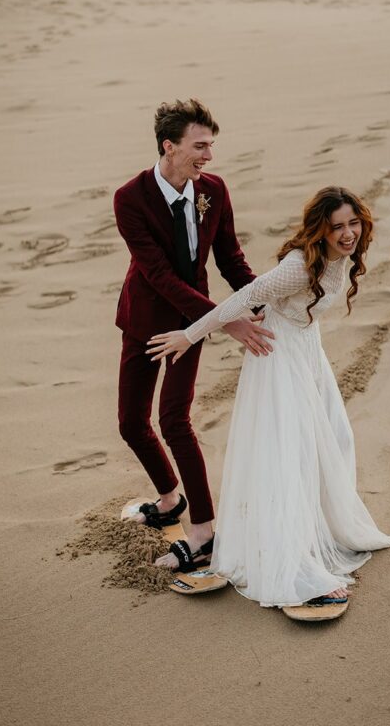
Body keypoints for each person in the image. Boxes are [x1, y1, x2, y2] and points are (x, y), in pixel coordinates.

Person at [147, 186, 390, 610]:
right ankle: (295, 563)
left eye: (353, 223)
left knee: (332, 441)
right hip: (278, 358)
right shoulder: (298, 268)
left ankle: (320, 533)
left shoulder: (343, 256)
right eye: (337, 227)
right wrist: (190, 336)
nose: (348, 234)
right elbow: (243, 298)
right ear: (320, 228)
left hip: (306, 354)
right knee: (290, 455)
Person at [113, 98, 275, 566]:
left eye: (210, 146)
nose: (208, 156)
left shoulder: (215, 191)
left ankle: (203, 532)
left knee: (174, 421)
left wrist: (265, 302)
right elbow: (159, 275)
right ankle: (169, 501)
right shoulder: (130, 198)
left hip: (192, 322)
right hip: (144, 321)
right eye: (199, 146)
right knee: (130, 423)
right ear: (170, 146)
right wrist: (228, 320)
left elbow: (229, 259)